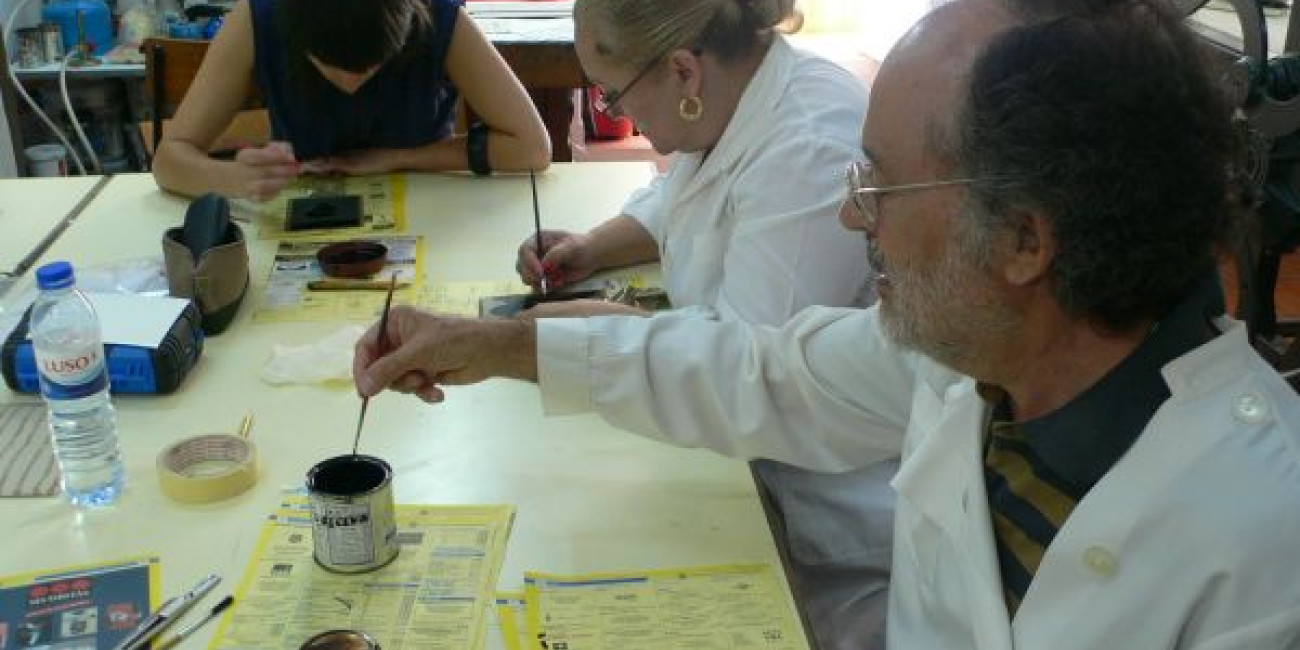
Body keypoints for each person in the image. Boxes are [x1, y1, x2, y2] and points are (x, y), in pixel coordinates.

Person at [354, 0, 1300, 646]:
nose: (852, 215)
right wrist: (496, 343)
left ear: (1023, 240)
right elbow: (758, 370)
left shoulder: (1265, 554)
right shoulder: (970, 360)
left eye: (879, 183)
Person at [513, 1, 890, 646]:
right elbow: (683, 195)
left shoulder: (809, 146)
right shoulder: (735, 94)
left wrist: (555, 339)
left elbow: (746, 373)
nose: (612, 109)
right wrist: (592, 246)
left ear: (683, 71)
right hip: (743, 466)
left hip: (825, 522)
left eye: (611, 93)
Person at [151, 0, 551, 200]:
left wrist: (398, 158)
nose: (351, 84)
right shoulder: (257, 18)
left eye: (374, 65)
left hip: (429, 210)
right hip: (301, 219)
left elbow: (532, 148)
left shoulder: (440, 17)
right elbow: (169, 159)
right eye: (328, 65)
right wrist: (232, 179)